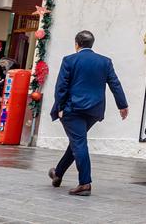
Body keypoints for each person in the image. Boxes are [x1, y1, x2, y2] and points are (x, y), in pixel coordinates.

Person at [48, 30, 128, 196]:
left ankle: (85, 183)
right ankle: (58, 173)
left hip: (73, 109)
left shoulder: (70, 60)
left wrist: (60, 107)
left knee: (78, 143)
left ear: (77, 44)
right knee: (77, 141)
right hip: (94, 111)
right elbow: (115, 84)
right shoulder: (105, 62)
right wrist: (122, 105)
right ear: (92, 44)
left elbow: (61, 87)